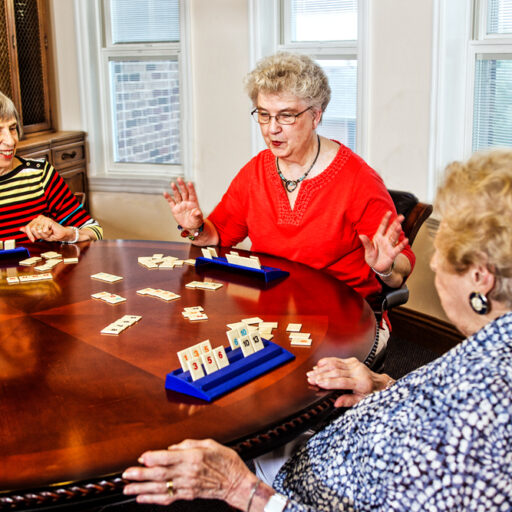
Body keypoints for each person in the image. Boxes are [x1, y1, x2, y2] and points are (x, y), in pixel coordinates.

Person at [123, 149, 512, 510]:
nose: (434, 265)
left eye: (442, 248)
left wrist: (239, 487)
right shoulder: (491, 349)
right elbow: (431, 411)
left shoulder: (481, 417)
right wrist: (382, 387)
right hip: (333, 445)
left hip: (298, 487)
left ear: (480, 278)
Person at [165, 52, 414, 304]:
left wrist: (386, 268)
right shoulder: (255, 171)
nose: (272, 128)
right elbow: (216, 236)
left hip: (345, 312)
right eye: (264, 114)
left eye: (286, 116)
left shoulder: (359, 179)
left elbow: (401, 263)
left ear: (316, 116)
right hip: (272, 304)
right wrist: (196, 228)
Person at [0, 92, 103, 244]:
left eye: (13, 128)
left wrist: (67, 234)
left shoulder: (40, 174)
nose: (10, 140)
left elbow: (95, 231)